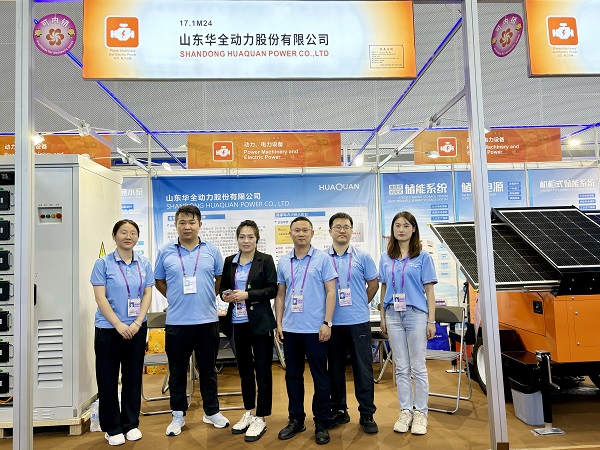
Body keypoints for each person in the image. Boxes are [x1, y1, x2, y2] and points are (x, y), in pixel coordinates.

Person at [154, 205, 229, 436]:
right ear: (176, 225)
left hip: (207, 321)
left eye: (192, 222)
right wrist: (174, 297)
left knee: (208, 370)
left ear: (200, 224)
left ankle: (211, 411)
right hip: (177, 323)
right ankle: (178, 414)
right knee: (177, 372)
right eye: (182, 222)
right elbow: (159, 281)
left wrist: (208, 297)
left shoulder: (212, 250)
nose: (187, 227)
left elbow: (219, 278)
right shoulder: (166, 251)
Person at [90, 219, 154, 446]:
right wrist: (118, 324)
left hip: (136, 328)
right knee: (107, 378)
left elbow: (147, 293)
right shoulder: (103, 264)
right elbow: (100, 298)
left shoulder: (144, 263)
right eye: (123, 232)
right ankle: (112, 427)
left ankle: (131, 424)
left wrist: (137, 322)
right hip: (109, 329)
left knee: (133, 377)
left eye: (133, 233)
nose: (128, 236)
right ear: (114, 235)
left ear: (137, 237)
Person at [275, 216, 338, 445]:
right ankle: (296, 419)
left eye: (305, 230)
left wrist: (327, 322)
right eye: (296, 230)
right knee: (293, 376)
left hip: (315, 329)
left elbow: (331, 292)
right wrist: (279, 324)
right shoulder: (284, 261)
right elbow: (280, 295)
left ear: (312, 233)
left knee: (320, 377)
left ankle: (321, 421)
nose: (301, 234)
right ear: (290, 233)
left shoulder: (323, 259)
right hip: (291, 329)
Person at [379, 211, 437, 435]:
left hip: (416, 315)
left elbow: (429, 291)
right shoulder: (386, 257)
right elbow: (384, 287)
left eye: (405, 225)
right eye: (397, 225)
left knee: (418, 367)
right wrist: (383, 315)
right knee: (401, 367)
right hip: (393, 315)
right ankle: (405, 411)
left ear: (413, 229)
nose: (401, 229)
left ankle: (421, 413)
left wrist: (431, 320)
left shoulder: (423, 257)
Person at [220, 220, 277, 442]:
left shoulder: (265, 260)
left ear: (256, 239)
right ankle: (249, 412)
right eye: (242, 237)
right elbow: (223, 288)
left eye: (250, 237)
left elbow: (272, 289)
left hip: (260, 323)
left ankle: (261, 417)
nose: (246, 241)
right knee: (244, 370)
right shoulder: (230, 261)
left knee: (263, 371)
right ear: (237, 239)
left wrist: (247, 295)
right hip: (237, 323)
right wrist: (225, 295)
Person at [326, 213, 379, 434]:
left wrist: (359, 303)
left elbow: (373, 284)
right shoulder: (322, 258)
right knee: (335, 370)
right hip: (332, 324)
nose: (342, 230)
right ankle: (339, 411)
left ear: (351, 231)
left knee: (363, 370)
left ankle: (367, 414)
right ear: (330, 231)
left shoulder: (363, 257)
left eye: (346, 227)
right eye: (337, 227)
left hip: (358, 322)